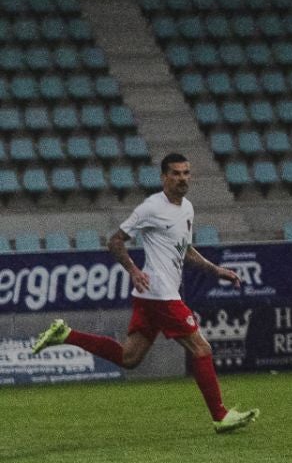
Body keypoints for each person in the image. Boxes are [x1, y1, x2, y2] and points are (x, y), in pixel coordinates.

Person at [29, 153, 258, 433]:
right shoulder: (151, 208)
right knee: (202, 348)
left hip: (153, 296)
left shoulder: (187, 208)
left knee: (130, 358)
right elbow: (115, 241)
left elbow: (184, 249)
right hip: (160, 294)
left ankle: (66, 334)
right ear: (164, 177)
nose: (182, 178)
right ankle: (220, 416)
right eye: (176, 173)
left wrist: (215, 270)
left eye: (186, 173)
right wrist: (134, 270)